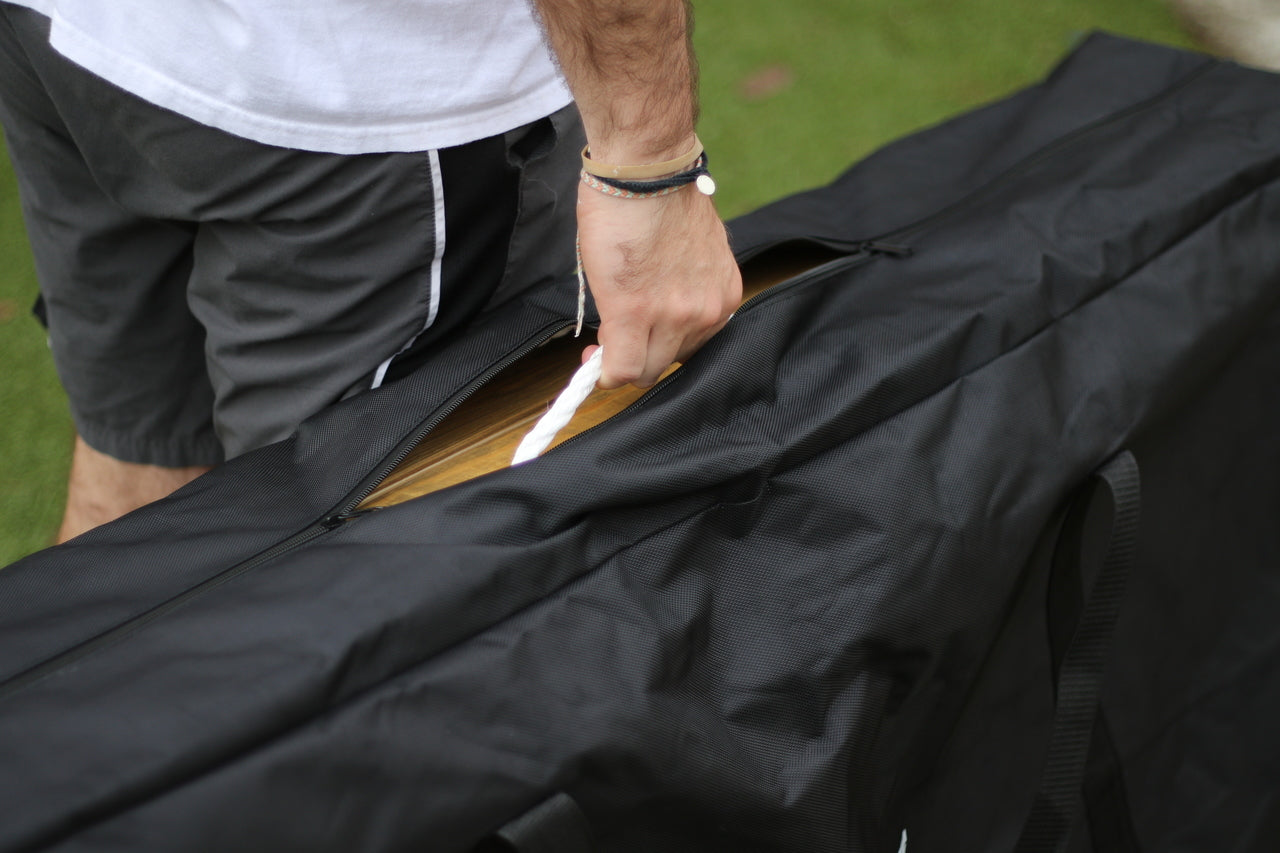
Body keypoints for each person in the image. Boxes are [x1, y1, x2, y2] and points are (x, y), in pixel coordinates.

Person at [0, 1, 742, 542]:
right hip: (346, 106)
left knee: (135, 472)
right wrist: (651, 163)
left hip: (74, 38)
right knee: (336, 568)